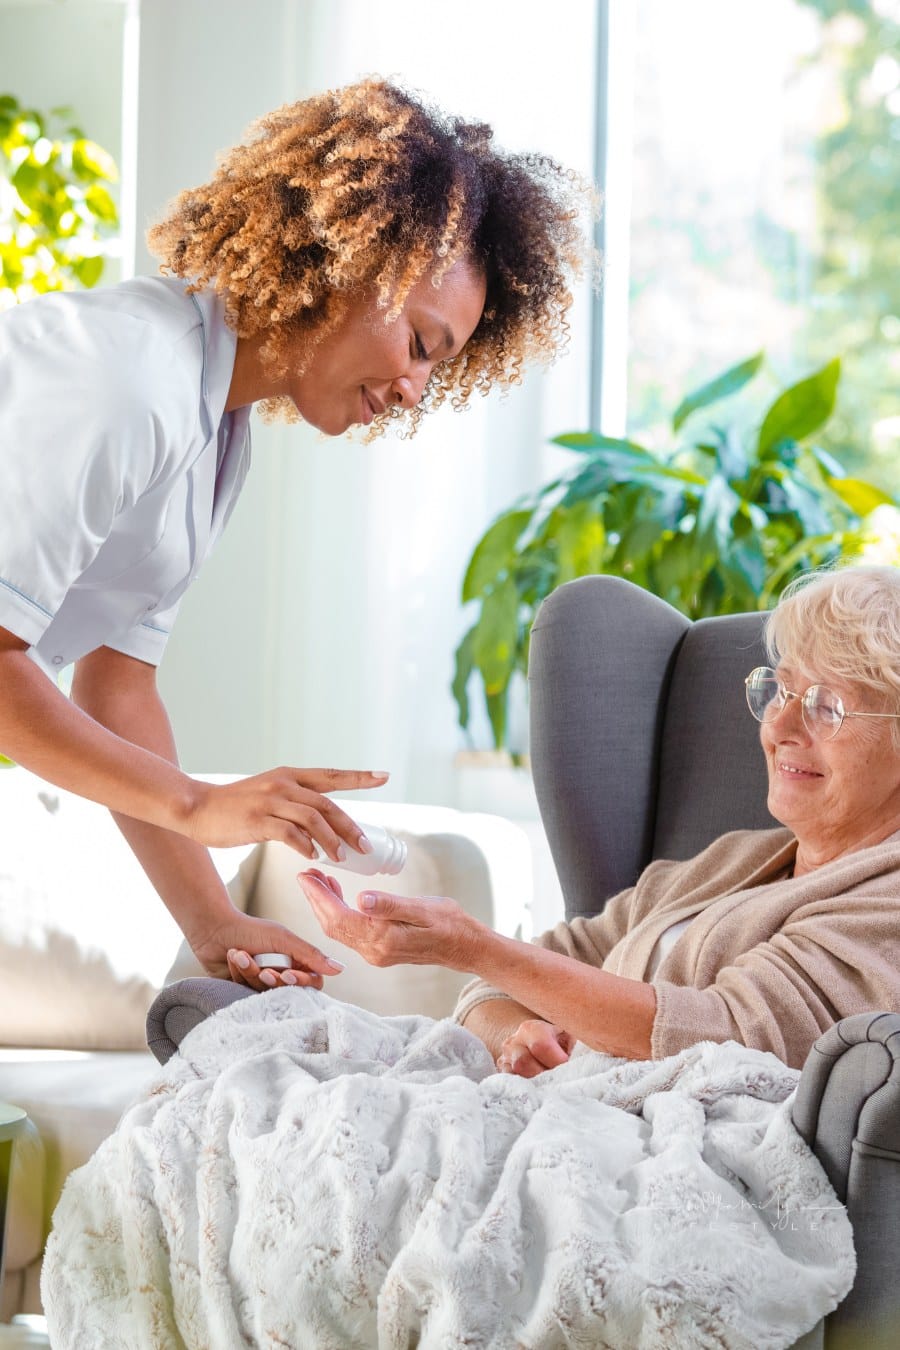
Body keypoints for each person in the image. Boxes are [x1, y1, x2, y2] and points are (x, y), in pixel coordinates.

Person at [0, 78, 590, 988]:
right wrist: (199, 804)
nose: (414, 393)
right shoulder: (126, 381)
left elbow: (115, 689)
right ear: (347, 263)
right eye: (423, 346)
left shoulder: (213, 435)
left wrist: (216, 924)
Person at [294, 563, 900, 1071]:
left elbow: (728, 1035)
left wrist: (475, 947)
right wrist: (514, 1034)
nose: (782, 726)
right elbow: (510, 978)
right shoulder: (729, 862)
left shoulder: (886, 903)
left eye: (826, 706)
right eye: (784, 690)